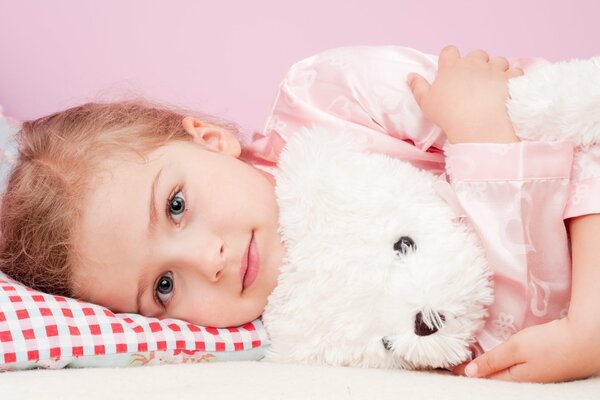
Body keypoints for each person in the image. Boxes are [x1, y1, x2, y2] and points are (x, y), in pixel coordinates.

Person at [1, 45, 598, 383]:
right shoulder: (303, 335)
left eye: (176, 207)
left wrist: (588, 324)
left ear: (209, 139)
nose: (207, 261)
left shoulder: (330, 100)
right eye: (162, 286)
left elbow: (575, 131)